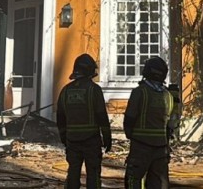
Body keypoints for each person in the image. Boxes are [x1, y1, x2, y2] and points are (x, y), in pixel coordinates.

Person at [56, 54, 112, 189]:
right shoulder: (94, 90)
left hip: (72, 140)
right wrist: (107, 137)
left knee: (73, 172)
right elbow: (102, 116)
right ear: (89, 71)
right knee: (93, 173)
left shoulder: (66, 90)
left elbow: (60, 117)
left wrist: (64, 137)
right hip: (91, 141)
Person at [123, 56, 179, 189]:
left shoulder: (139, 92)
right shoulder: (168, 96)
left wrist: (130, 134)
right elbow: (171, 124)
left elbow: (129, 118)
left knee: (133, 178)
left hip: (140, 146)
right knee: (158, 182)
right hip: (161, 148)